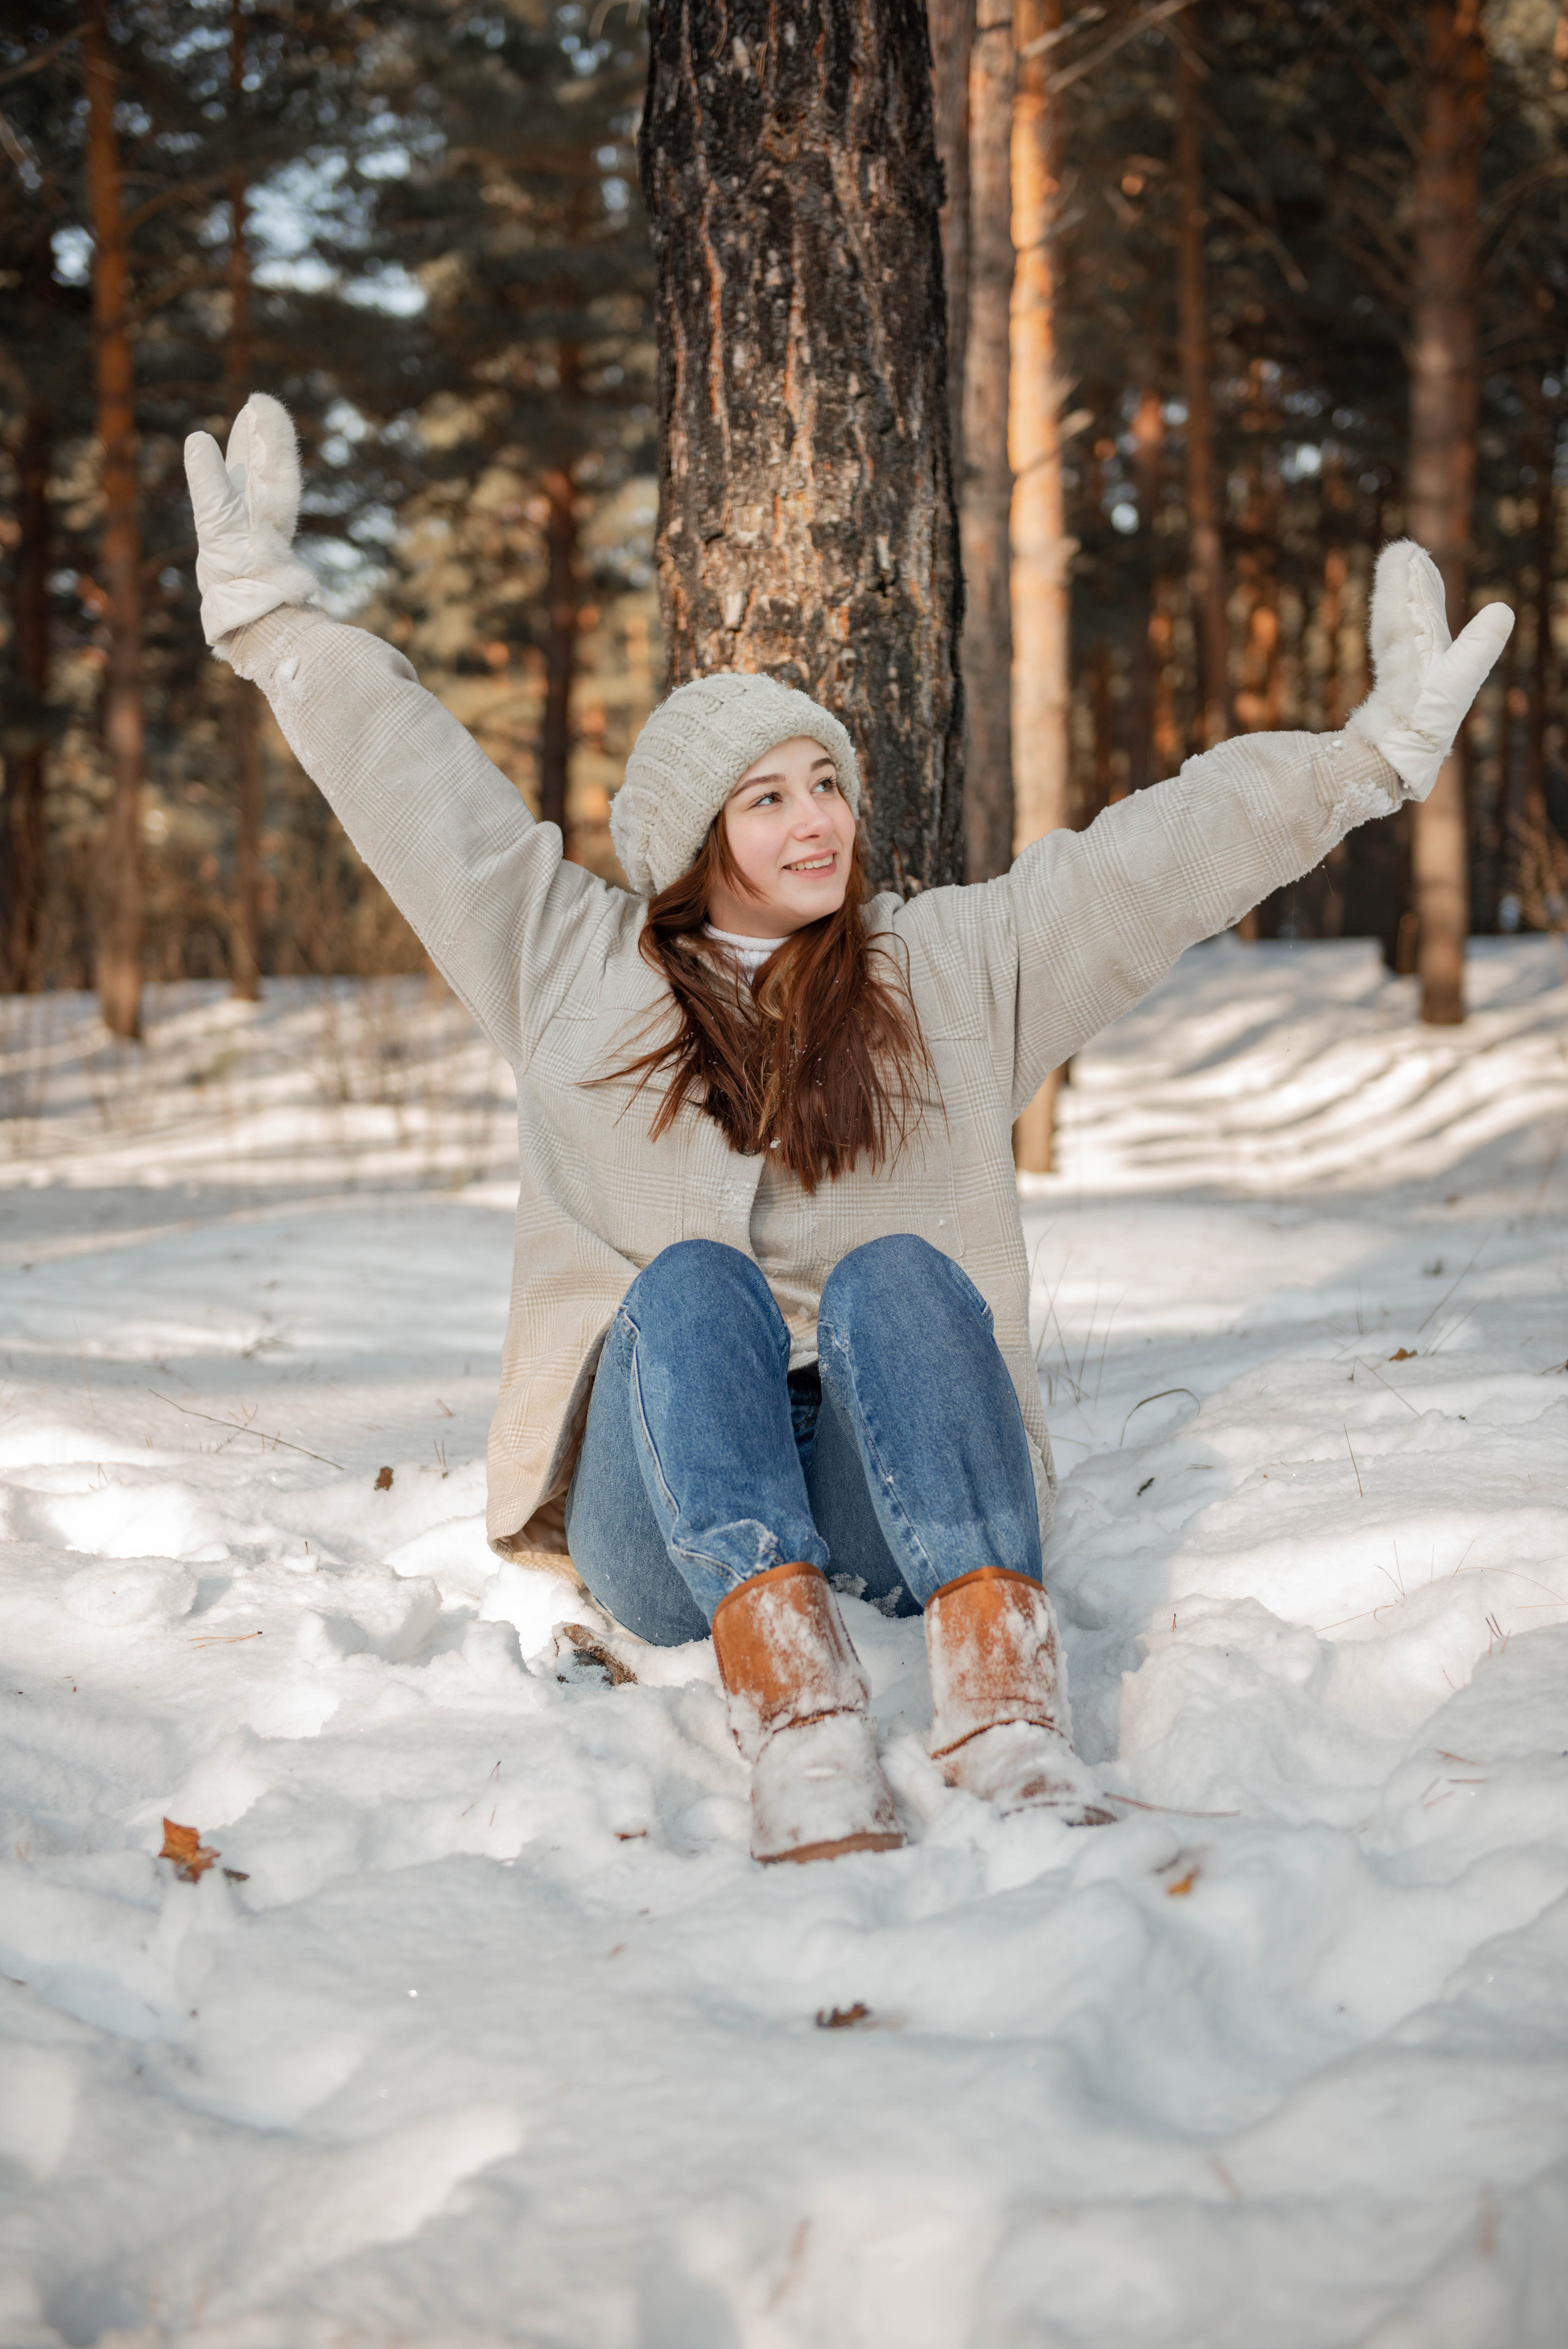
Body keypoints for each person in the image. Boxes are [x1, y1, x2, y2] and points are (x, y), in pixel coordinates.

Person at [185, 395, 1512, 1867]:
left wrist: (1367, 757)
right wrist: (276, 626)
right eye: (767, 798)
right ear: (695, 841)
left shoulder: (941, 970)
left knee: (900, 1270)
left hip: (893, 1496)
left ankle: (1005, 1711)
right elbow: (426, 800)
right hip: (664, 1518)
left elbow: (1153, 861)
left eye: (824, 784)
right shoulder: (567, 965)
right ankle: (799, 1722)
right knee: (689, 1282)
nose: (815, 820)